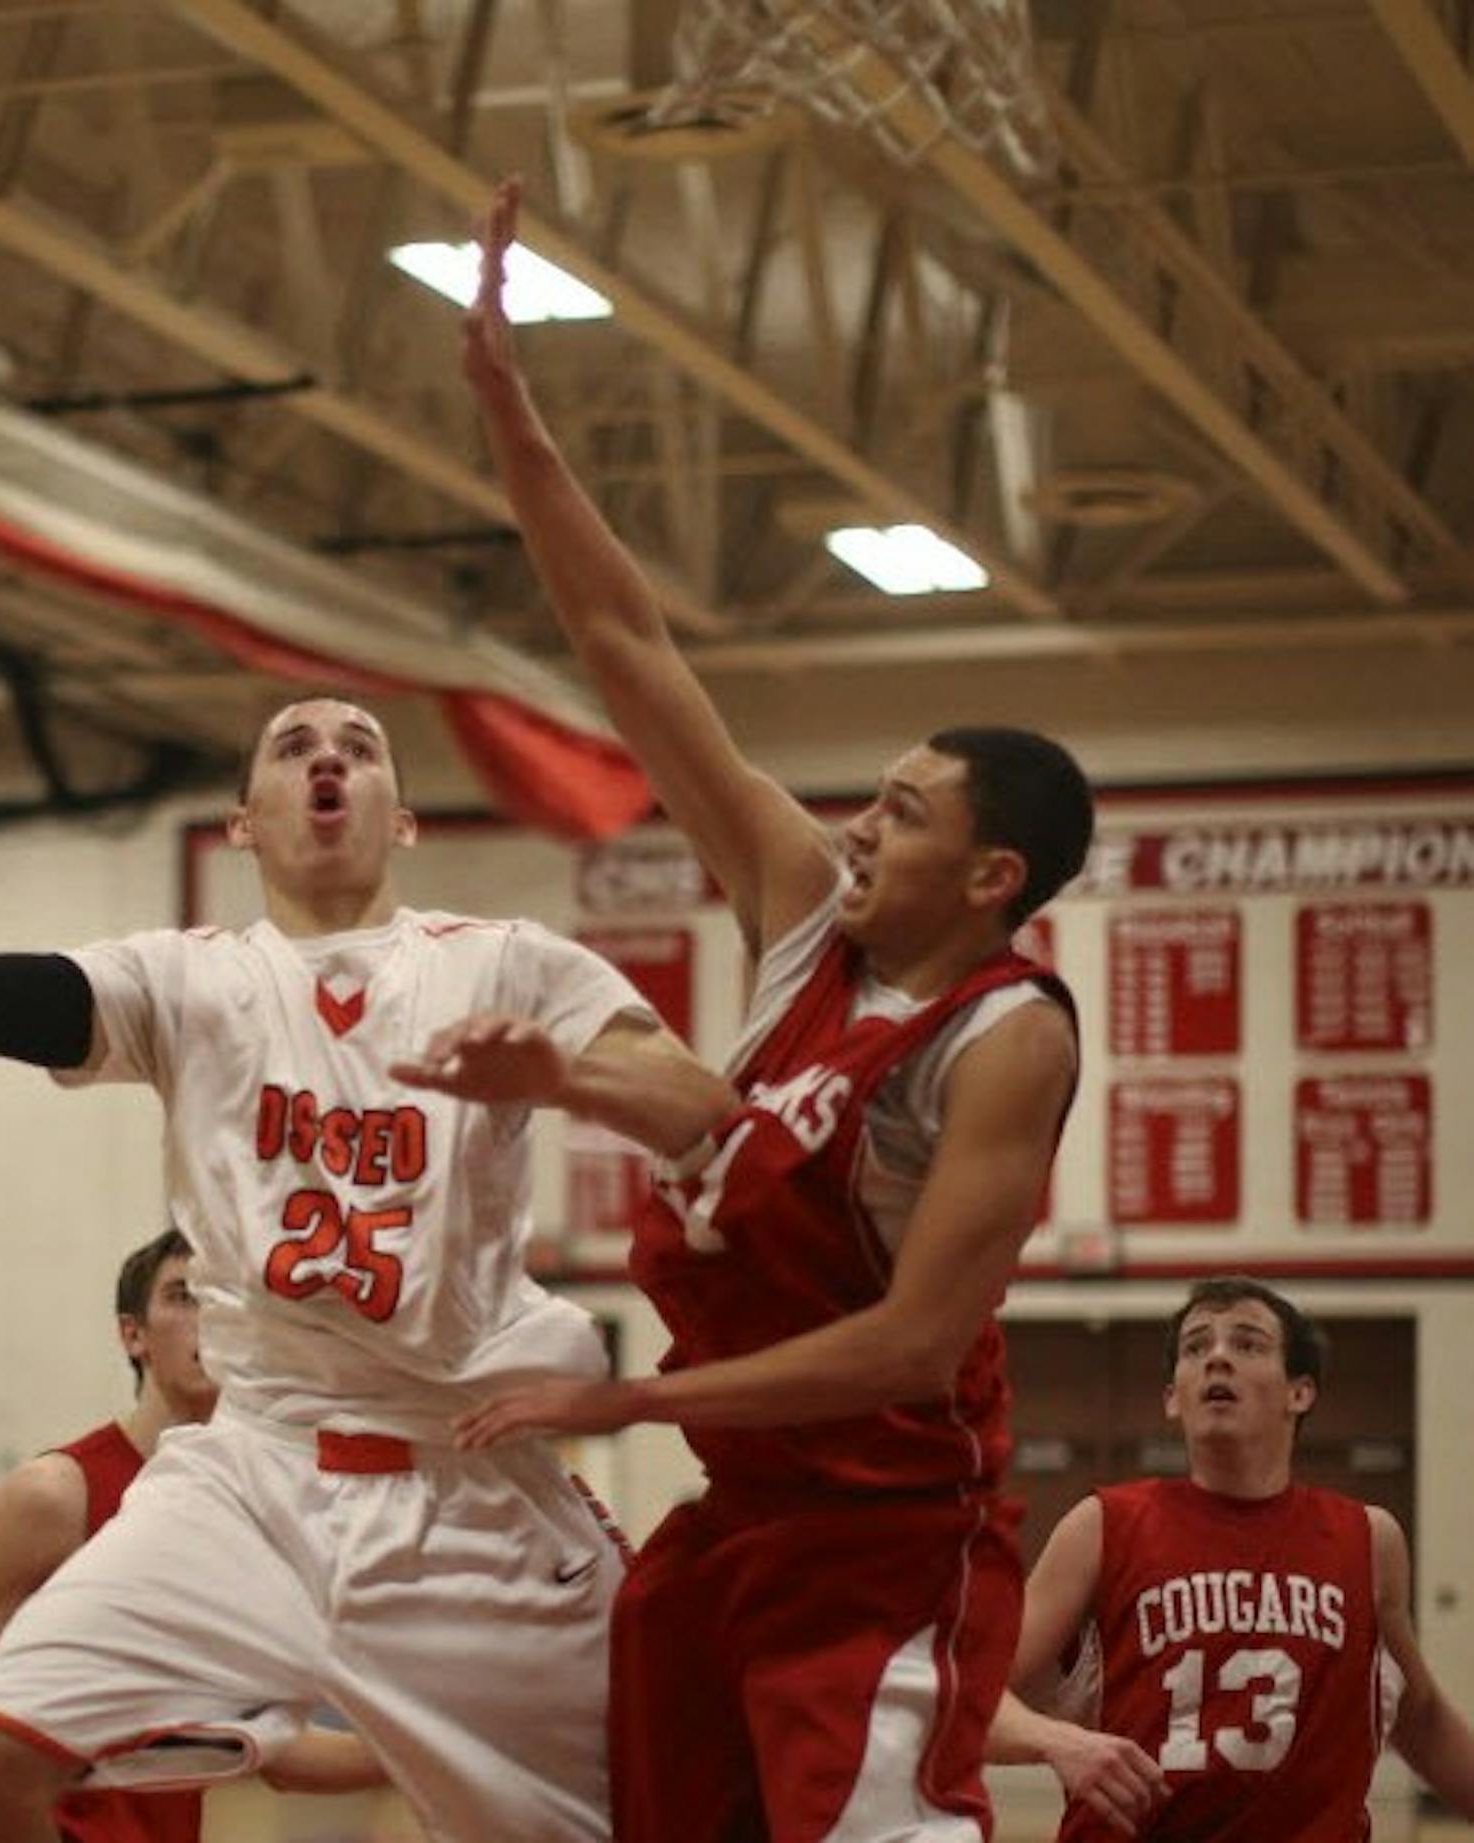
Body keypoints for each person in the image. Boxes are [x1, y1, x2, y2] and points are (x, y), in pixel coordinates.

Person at [0, 678, 698, 1843]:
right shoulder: (182, 981)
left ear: (402, 817)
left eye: (360, 744)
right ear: (244, 819)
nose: (327, 758)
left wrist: (567, 1077)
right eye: (292, 744)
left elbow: (700, 1105)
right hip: (258, 1472)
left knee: (655, 1811)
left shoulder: (506, 963)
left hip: (464, 1487)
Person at [428, 176, 1096, 1843]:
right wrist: (513, 415)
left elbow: (909, 1340)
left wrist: (621, 1400)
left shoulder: (1008, 1034)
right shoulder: (809, 922)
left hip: (890, 1532)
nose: (859, 826)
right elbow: (630, 645)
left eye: (904, 811)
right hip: (735, 1519)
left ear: (994, 873)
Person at [0, 1225, 383, 1843]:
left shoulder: (247, 1508)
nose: (208, 1319)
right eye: (182, 1298)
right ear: (132, 1333)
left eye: (224, 1300)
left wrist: (461, 1750)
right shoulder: (53, 1493)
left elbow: (279, 1755)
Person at [987, 1278, 1474, 1840]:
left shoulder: (1369, 1538)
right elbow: (969, 1700)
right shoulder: (1101, 1526)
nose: (1217, 1358)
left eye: (1247, 1344)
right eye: (1197, 1347)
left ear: (1300, 1392)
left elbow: (1421, 1718)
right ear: (1173, 1396)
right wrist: (1055, 1741)